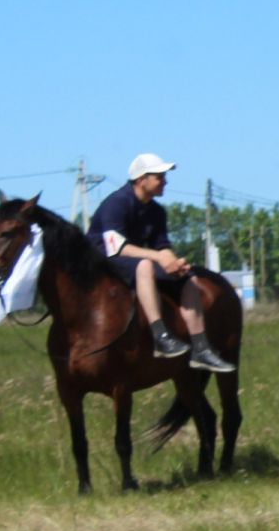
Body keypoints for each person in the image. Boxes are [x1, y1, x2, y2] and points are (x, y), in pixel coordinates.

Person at [88, 153, 235, 372]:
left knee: (188, 279)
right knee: (145, 266)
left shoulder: (157, 211)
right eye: (159, 177)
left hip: (137, 259)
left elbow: (161, 246)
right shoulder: (116, 203)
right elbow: (117, 248)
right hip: (104, 261)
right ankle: (161, 337)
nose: (165, 181)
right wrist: (158, 258)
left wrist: (174, 263)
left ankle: (201, 349)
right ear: (141, 179)